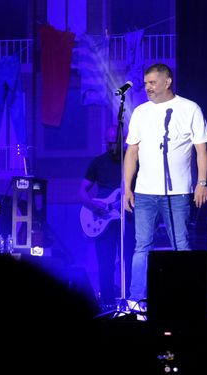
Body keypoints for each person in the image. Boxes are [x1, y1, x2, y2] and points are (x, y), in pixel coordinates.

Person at [122, 63, 207, 310]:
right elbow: (132, 152)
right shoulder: (140, 112)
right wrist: (127, 188)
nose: (147, 87)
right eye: (146, 83)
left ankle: (186, 301)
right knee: (142, 246)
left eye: (152, 82)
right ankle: (136, 302)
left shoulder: (189, 109)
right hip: (144, 192)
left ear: (167, 81)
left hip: (178, 192)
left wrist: (202, 182)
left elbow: (201, 149)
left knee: (180, 245)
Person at [81, 124, 127, 306]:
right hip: (102, 220)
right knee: (105, 263)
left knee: (129, 260)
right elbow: (81, 192)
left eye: (114, 142)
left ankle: (131, 301)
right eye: (107, 143)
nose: (111, 146)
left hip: (126, 219)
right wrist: (93, 205)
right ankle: (107, 305)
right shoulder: (97, 163)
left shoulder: (131, 161)